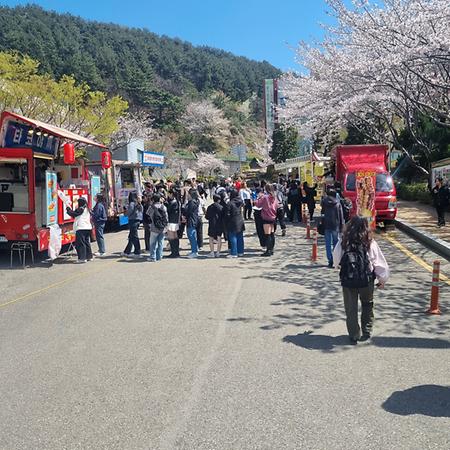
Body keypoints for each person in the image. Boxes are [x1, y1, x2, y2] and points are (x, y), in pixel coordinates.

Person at [333, 216, 389, 343]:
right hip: (366, 279)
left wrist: (338, 267)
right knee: (367, 304)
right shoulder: (370, 242)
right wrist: (382, 280)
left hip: (348, 279)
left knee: (351, 308)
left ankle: (354, 334)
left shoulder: (344, 241)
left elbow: (336, 257)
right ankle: (367, 330)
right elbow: (379, 263)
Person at [321, 188, 345, 268]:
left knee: (328, 244)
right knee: (336, 243)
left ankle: (330, 260)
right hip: (336, 225)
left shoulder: (324, 202)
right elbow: (341, 216)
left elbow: (322, 213)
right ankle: (336, 260)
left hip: (327, 225)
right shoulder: (338, 204)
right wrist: (342, 226)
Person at [66, 197, 93, 264]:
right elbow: (76, 215)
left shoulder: (81, 209)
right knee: (86, 243)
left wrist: (68, 209)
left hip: (81, 228)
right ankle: (89, 256)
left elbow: (74, 214)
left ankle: (82, 258)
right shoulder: (87, 208)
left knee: (80, 244)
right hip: (87, 228)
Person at [255, 184, 279, 256]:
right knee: (272, 234)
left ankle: (268, 251)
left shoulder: (265, 197)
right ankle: (271, 249)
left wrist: (258, 198)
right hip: (273, 216)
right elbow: (277, 205)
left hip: (266, 216)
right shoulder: (274, 197)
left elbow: (258, 205)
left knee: (267, 234)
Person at [146, 193, 168, 262]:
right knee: (160, 242)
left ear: (153, 200)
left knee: (153, 243)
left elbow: (148, 216)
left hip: (154, 227)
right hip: (162, 227)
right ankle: (159, 256)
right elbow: (166, 217)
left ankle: (153, 257)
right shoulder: (163, 207)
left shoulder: (151, 207)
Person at [224, 189, 245, 258]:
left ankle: (234, 253)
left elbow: (227, 214)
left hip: (232, 221)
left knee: (233, 237)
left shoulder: (230, 203)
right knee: (240, 237)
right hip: (240, 220)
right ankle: (241, 252)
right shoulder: (240, 201)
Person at [122, 192, 143, 258]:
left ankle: (137, 252)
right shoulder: (139, 203)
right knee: (131, 236)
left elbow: (129, 212)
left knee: (134, 237)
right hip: (138, 220)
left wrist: (125, 213)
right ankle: (127, 251)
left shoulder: (132, 203)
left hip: (132, 220)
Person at [183, 189, 200, 258]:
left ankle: (194, 251)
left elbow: (188, 212)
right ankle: (194, 250)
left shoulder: (191, 202)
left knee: (191, 236)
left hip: (191, 220)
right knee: (193, 236)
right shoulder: (195, 201)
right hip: (193, 220)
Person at [166, 188, 181, 258]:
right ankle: (176, 252)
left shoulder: (173, 202)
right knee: (175, 237)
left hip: (171, 221)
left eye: (168, 193)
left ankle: (174, 253)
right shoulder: (177, 201)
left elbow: (169, 211)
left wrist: (165, 203)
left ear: (171, 194)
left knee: (172, 238)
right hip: (175, 221)